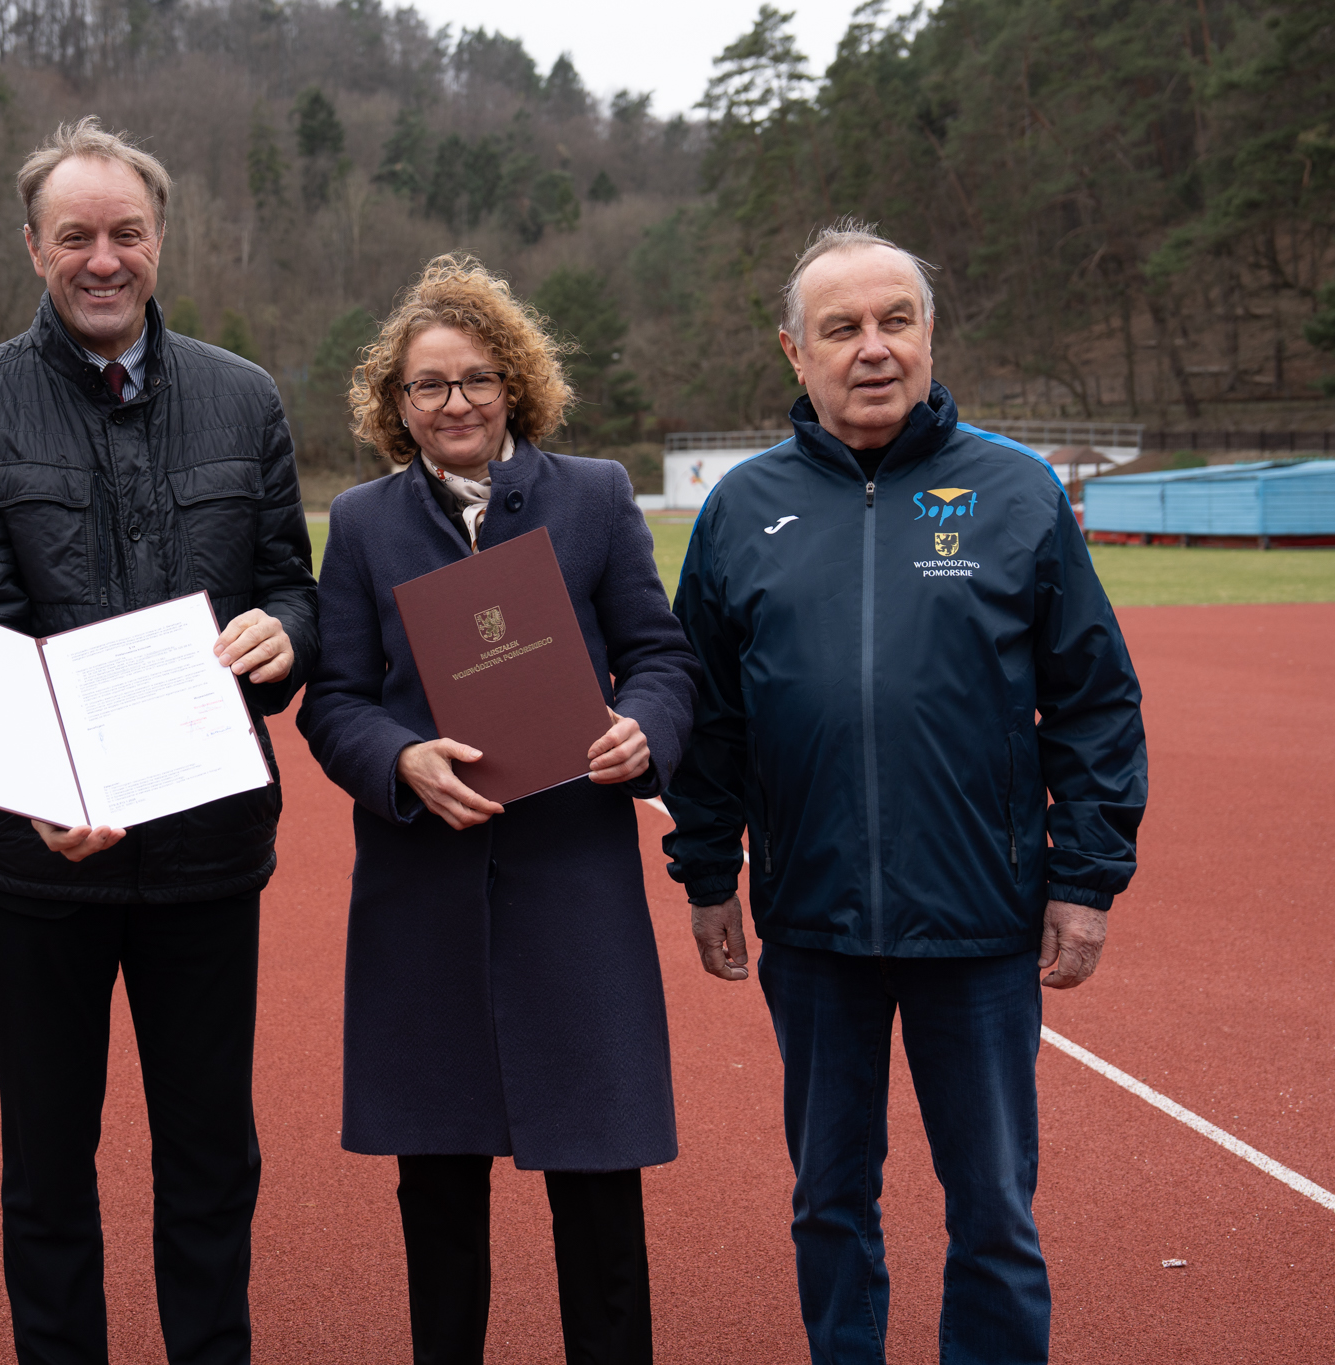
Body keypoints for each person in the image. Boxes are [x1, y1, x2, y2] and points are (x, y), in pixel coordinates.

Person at [663, 219, 1147, 1365]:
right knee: (828, 1199)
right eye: (840, 328)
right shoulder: (741, 511)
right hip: (813, 921)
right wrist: (703, 870)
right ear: (793, 351)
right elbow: (708, 713)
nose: (871, 348)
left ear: (928, 335)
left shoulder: (1018, 492)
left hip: (978, 922)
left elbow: (1093, 702)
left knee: (991, 1209)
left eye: (895, 320)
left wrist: (1082, 880)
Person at [0, 117, 318, 1365]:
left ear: (158, 241)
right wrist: (45, 787)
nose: (104, 257)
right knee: (47, 1156)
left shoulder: (242, 396)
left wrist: (281, 640)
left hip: (206, 848)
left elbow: (288, 584)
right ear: (35, 248)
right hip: (44, 859)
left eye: (125, 232)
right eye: (76, 235)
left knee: (210, 1150)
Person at [296, 254, 703, 1365]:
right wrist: (397, 759)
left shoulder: (595, 497)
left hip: (570, 884)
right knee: (435, 1192)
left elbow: (661, 658)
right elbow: (330, 699)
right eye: (427, 386)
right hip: (421, 889)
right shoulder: (366, 522)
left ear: (513, 386)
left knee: (596, 1191)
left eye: (475, 378)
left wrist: (644, 731)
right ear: (396, 405)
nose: (455, 402)